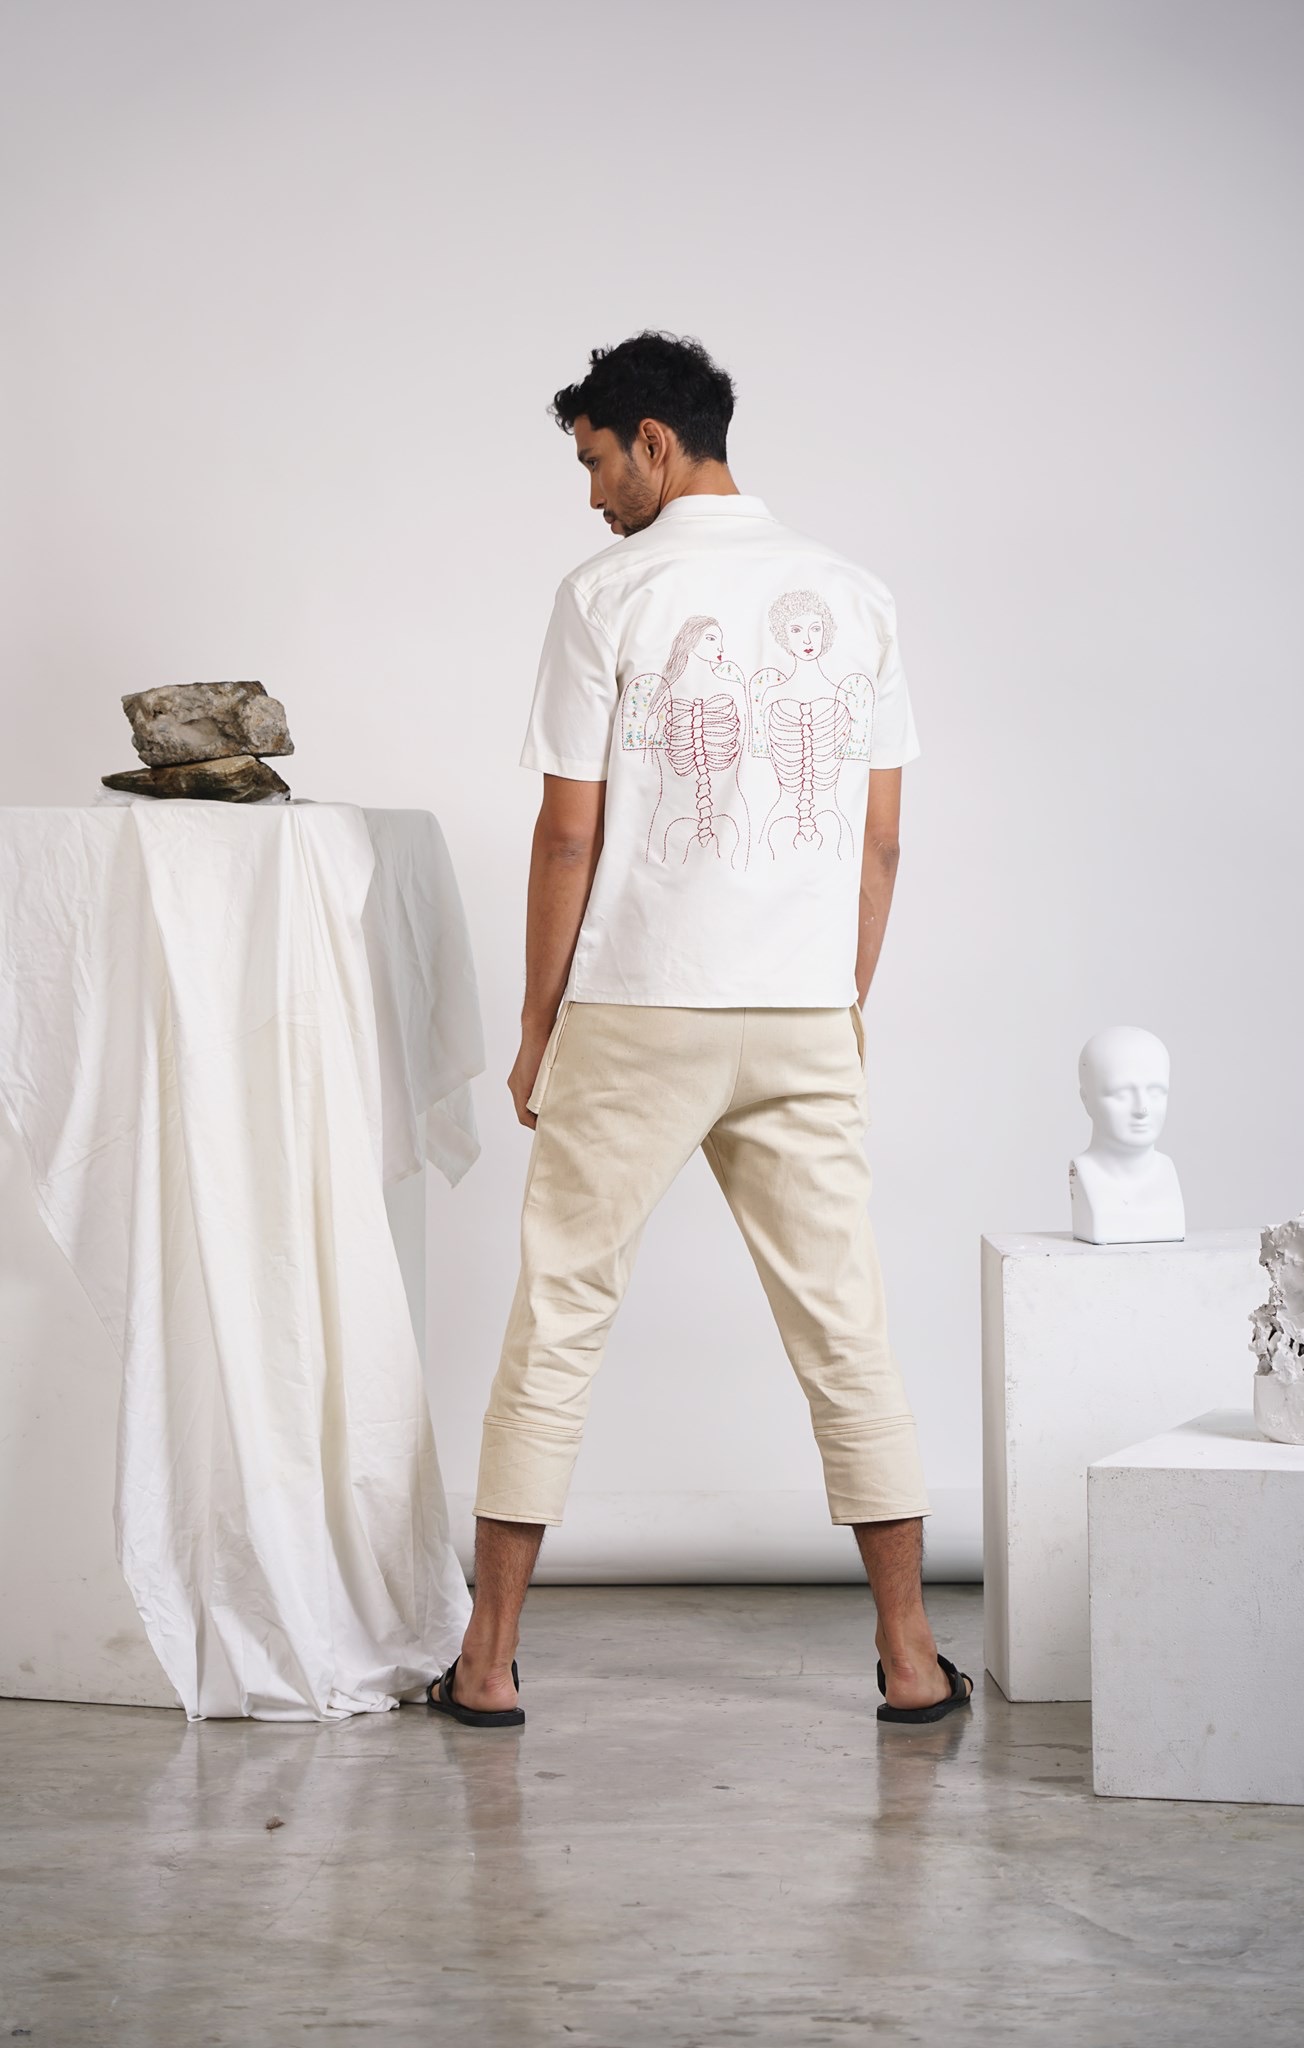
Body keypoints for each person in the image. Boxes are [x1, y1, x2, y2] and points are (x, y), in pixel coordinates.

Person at [426, 331, 972, 1731]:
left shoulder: (607, 591)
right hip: (800, 1009)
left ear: (654, 443)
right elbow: (883, 842)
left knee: (559, 1313)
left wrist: (538, 1024)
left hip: (638, 1007)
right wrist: (840, 1000)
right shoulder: (856, 594)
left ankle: (487, 1665)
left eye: (595, 460)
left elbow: (567, 833)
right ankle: (912, 1660)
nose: (590, 493)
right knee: (844, 1324)